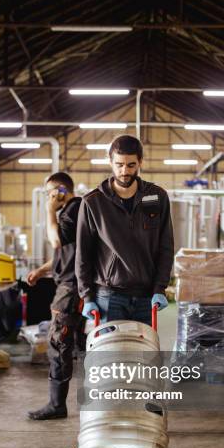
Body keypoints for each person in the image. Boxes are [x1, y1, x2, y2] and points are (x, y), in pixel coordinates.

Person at [75, 135, 174, 326]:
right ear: (110, 162)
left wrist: (160, 288)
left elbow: (166, 247)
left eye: (131, 165)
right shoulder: (93, 202)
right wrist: (87, 296)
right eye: (119, 164)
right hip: (109, 296)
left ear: (140, 163)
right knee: (112, 356)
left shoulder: (157, 197)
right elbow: (83, 254)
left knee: (144, 355)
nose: (124, 171)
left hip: (147, 297)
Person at [27, 172, 83, 420]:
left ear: (61, 191)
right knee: (68, 342)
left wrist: (49, 210)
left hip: (69, 288)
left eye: (51, 192)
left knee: (59, 342)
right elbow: (65, 255)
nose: (49, 197)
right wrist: (41, 270)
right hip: (70, 284)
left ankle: (57, 405)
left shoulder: (71, 210)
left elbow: (57, 241)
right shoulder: (75, 211)